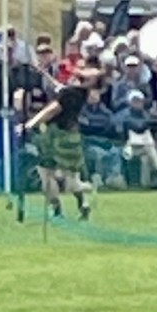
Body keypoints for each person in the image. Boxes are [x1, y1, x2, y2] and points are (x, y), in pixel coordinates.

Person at [20, 66, 104, 220]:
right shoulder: (76, 92)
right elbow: (61, 88)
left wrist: (30, 124)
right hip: (68, 134)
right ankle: (78, 204)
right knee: (57, 174)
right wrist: (47, 76)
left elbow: (52, 109)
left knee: (55, 176)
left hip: (58, 135)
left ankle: (79, 196)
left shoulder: (71, 93)